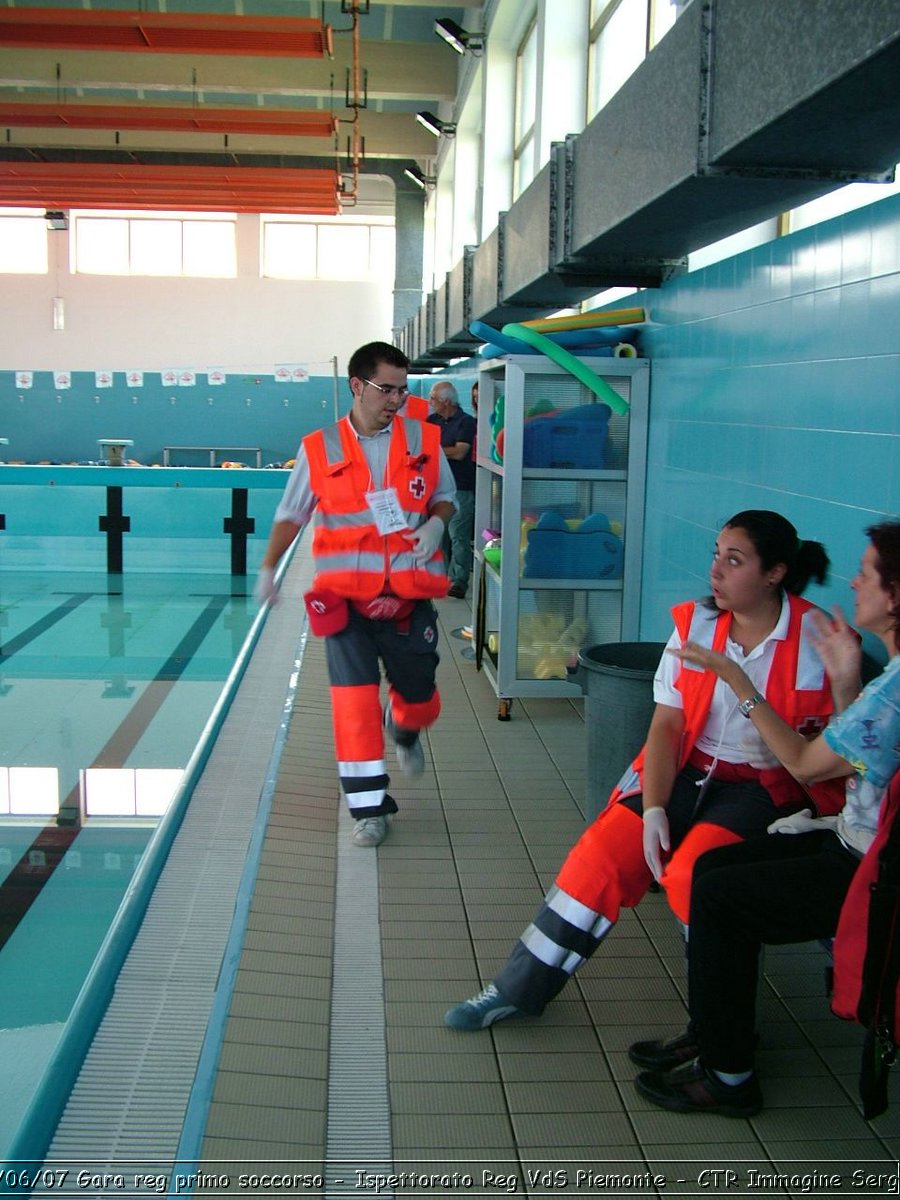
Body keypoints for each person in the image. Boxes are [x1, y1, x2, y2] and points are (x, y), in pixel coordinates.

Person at [445, 510, 847, 1030]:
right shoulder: (696, 628)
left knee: (691, 878)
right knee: (600, 854)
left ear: (774, 574)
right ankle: (517, 988)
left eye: (735, 560)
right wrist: (655, 806)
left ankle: (715, 1028)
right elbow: (666, 728)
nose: (716, 572)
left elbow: (833, 752)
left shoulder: (819, 641)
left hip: (764, 790)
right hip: (686, 772)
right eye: (716, 555)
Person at [630, 520, 900, 1117]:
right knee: (709, 875)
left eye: (868, 573)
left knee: (721, 894)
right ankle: (716, 1036)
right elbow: (859, 757)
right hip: (856, 842)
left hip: (871, 868)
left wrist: (739, 683)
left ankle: (730, 1077)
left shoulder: (897, 691)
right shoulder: (887, 685)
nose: (854, 581)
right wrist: (846, 679)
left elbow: (807, 766)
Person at [255, 341, 457, 849]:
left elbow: (446, 498)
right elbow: (291, 513)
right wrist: (268, 568)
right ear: (357, 386)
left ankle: (406, 728)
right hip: (345, 604)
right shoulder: (319, 448)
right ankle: (368, 809)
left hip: (409, 600)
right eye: (386, 389)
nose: (396, 399)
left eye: (401, 389)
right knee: (353, 707)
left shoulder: (422, 438)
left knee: (419, 698)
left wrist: (435, 525)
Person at [428, 380, 477, 600]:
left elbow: (460, 452)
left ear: (446, 401)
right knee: (439, 534)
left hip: (462, 487)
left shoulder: (466, 423)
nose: (430, 403)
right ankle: (440, 579)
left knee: (458, 534)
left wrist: (434, 450)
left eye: (433, 398)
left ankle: (459, 581)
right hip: (437, 488)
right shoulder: (431, 422)